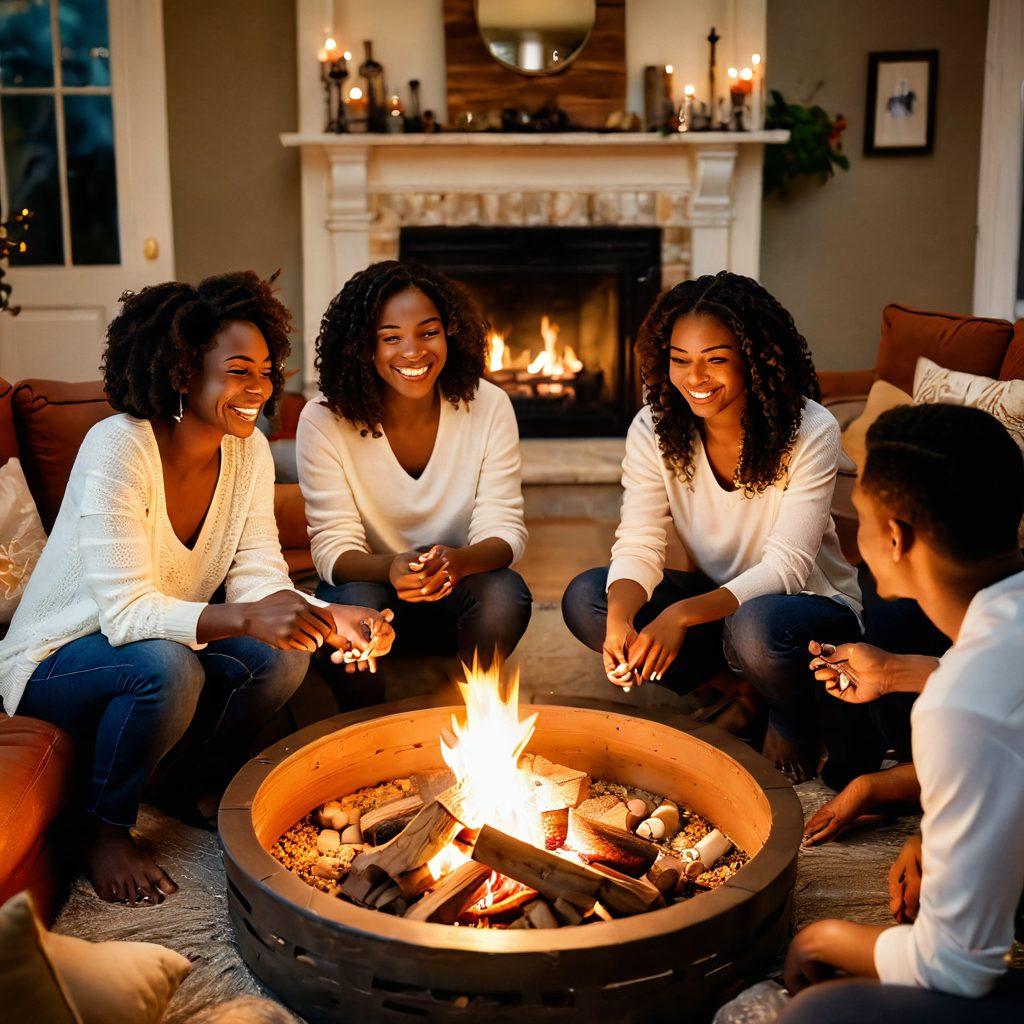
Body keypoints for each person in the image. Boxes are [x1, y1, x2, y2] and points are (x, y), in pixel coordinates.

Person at [0, 273, 394, 907]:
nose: (258, 387)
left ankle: (182, 781)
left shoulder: (249, 453)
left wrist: (329, 614)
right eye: (238, 371)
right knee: (168, 667)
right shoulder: (118, 447)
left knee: (284, 654)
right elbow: (127, 615)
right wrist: (244, 618)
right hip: (55, 662)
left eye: (266, 371)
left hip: (151, 647)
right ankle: (103, 830)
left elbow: (261, 577)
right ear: (184, 372)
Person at [562, 272, 862, 781]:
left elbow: (787, 568)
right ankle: (741, 691)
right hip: (720, 601)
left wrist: (679, 615)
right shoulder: (654, 427)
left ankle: (791, 718)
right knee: (590, 598)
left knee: (756, 627)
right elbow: (639, 542)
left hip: (805, 610)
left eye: (715, 359)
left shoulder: (812, 429)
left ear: (754, 357)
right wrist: (620, 622)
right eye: (680, 360)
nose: (694, 378)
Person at [781, 403, 1024, 1022]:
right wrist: (925, 825)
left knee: (820, 1012)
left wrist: (819, 939)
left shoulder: (960, 708)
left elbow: (955, 967)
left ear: (896, 537)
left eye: (857, 517)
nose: (849, 536)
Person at [296, 261, 531, 669]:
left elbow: (504, 528)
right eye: (391, 337)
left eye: (428, 332)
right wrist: (392, 567)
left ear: (450, 333)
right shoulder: (323, 420)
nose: (413, 351)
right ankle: (366, 707)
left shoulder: (488, 405)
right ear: (363, 346)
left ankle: (473, 699)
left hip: (458, 594)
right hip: (372, 596)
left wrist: (459, 562)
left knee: (503, 594)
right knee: (351, 599)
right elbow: (333, 550)